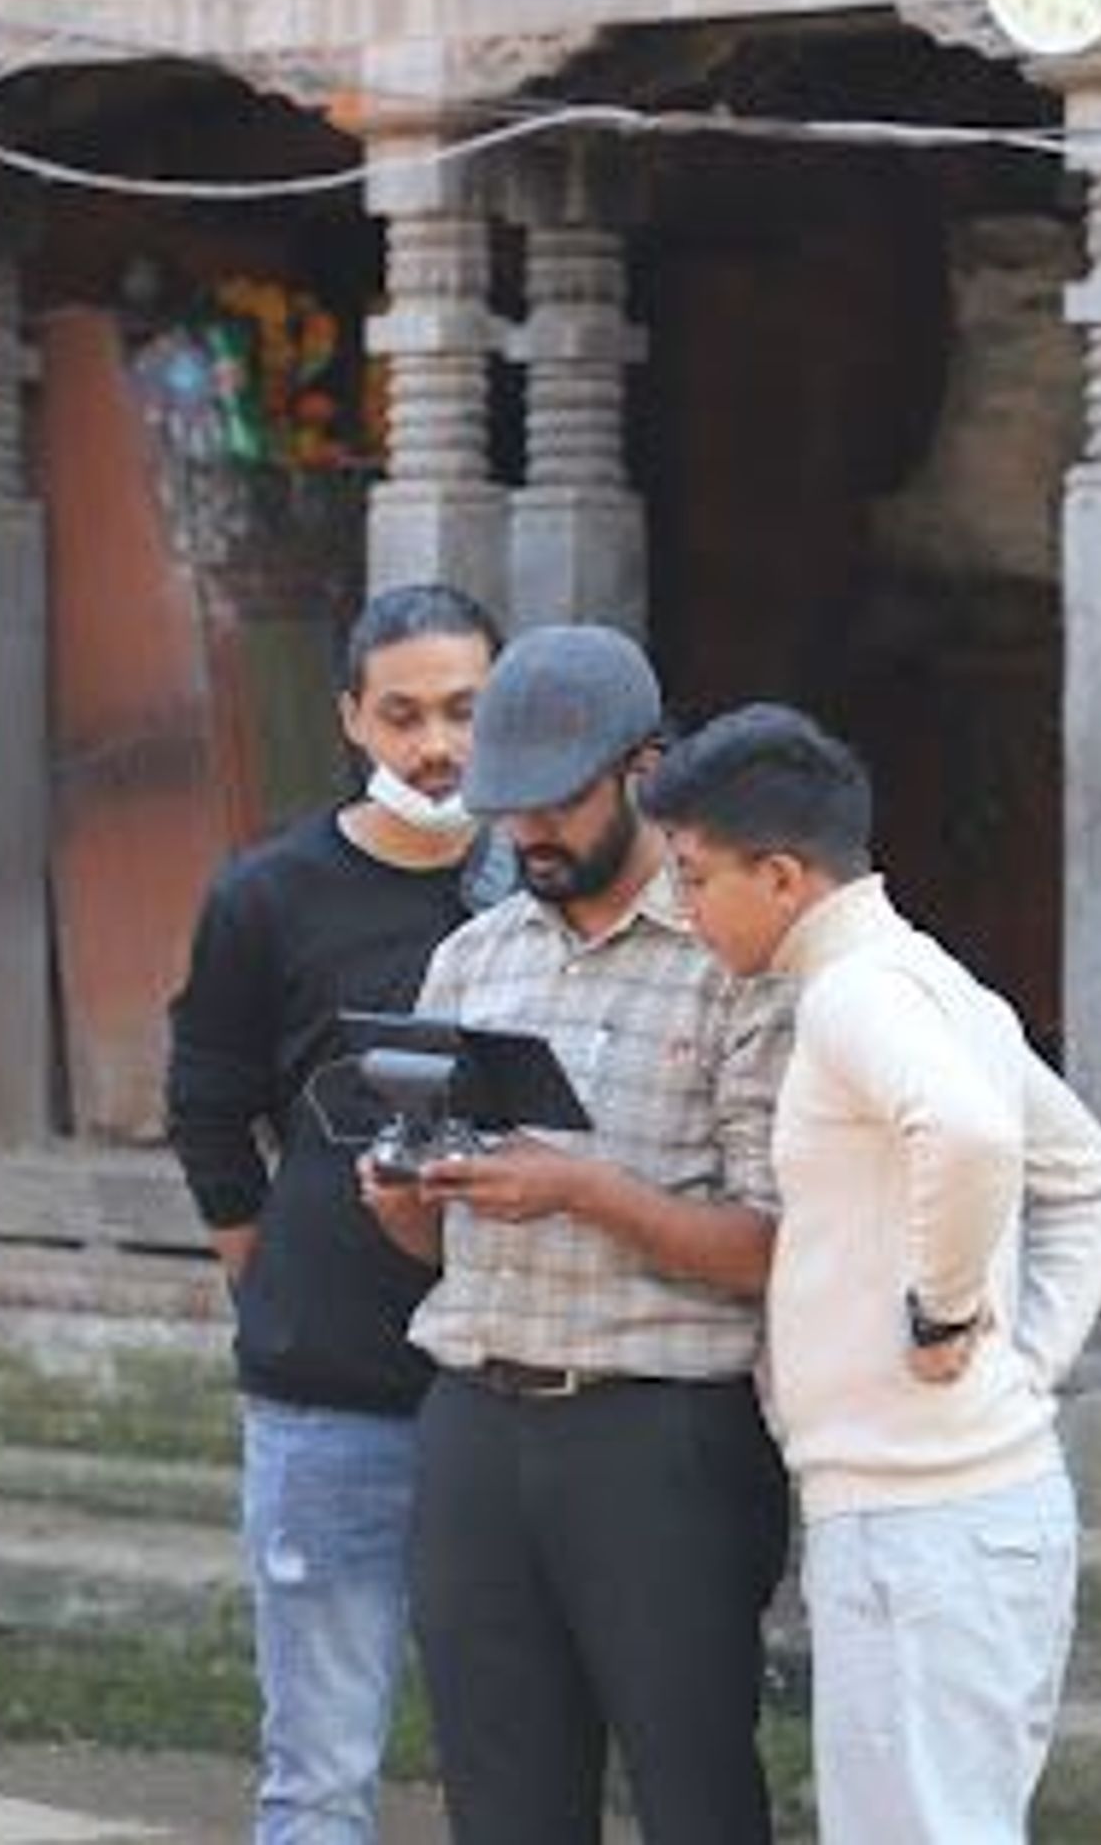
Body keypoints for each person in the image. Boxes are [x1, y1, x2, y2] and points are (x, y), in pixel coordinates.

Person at [640, 701, 1101, 1845]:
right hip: (942, 1507)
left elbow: (973, 1135)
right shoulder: (928, 978)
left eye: (695, 877)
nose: (684, 908)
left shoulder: (859, 991)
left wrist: (948, 1314)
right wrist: (1023, 1365)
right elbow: (1089, 1175)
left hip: (924, 1521)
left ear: (780, 876)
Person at [361, 623, 795, 1845]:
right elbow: (433, 1247)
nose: (529, 833)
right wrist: (403, 1200)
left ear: (644, 770)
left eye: (558, 801)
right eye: (508, 808)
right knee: (501, 1803)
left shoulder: (735, 961)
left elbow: (776, 1250)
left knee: (694, 1794)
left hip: (660, 1432)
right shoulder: (470, 959)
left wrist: (583, 1190)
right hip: (472, 1420)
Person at [165, 582, 504, 1845]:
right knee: (320, 1770)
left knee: (520, 1761)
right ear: (352, 718)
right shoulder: (269, 895)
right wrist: (269, 1279)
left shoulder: (542, 889)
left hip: (519, 1387)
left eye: (465, 711)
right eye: (404, 715)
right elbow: (208, 1111)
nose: (437, 745)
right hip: (330, 1394)